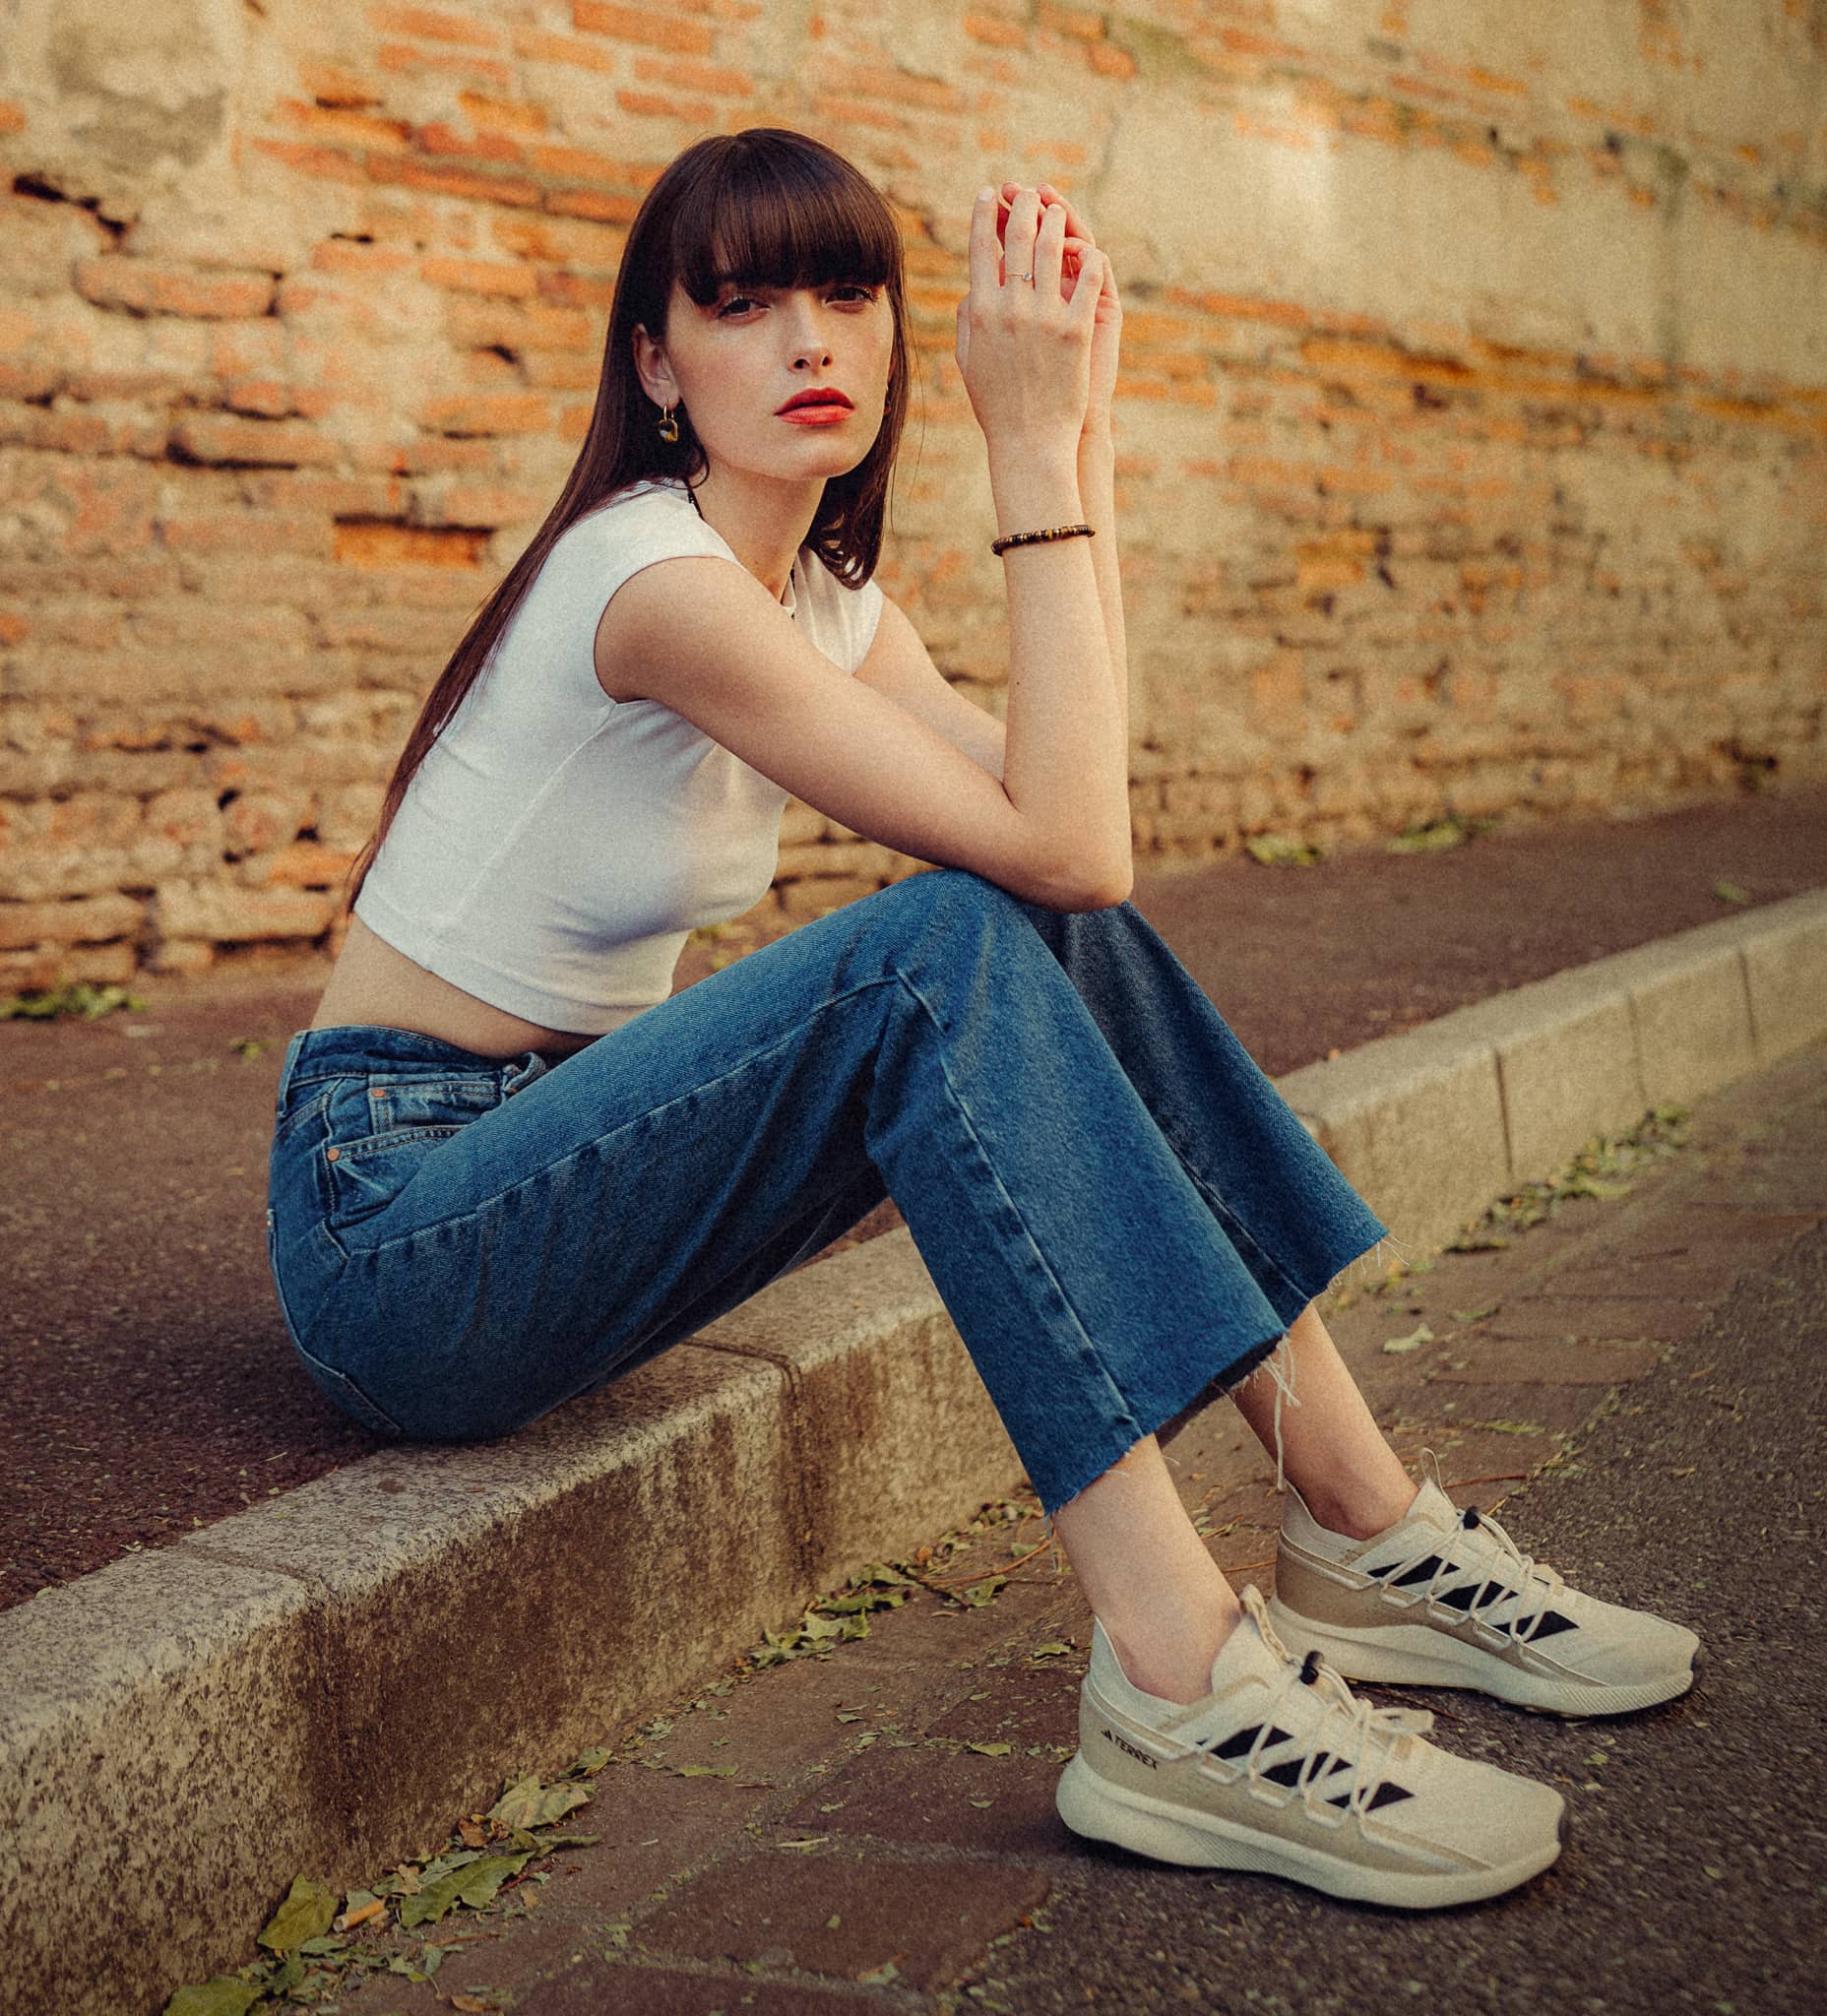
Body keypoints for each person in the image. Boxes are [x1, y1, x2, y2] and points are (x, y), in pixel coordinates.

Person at [265, 128, 1698, 1910]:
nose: (810, 342)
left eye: (849, 295)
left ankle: (1363, 1521)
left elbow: (1075, 830)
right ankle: (1175, 1684)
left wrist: (1080, 439)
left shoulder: (818, 602)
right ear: (656, 362)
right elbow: (1072, 839)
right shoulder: (651, 591)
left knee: (1017, 918)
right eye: (745, 304)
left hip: (553, 1164)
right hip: (400, 1232)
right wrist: (1029, 451)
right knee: (932, 947)